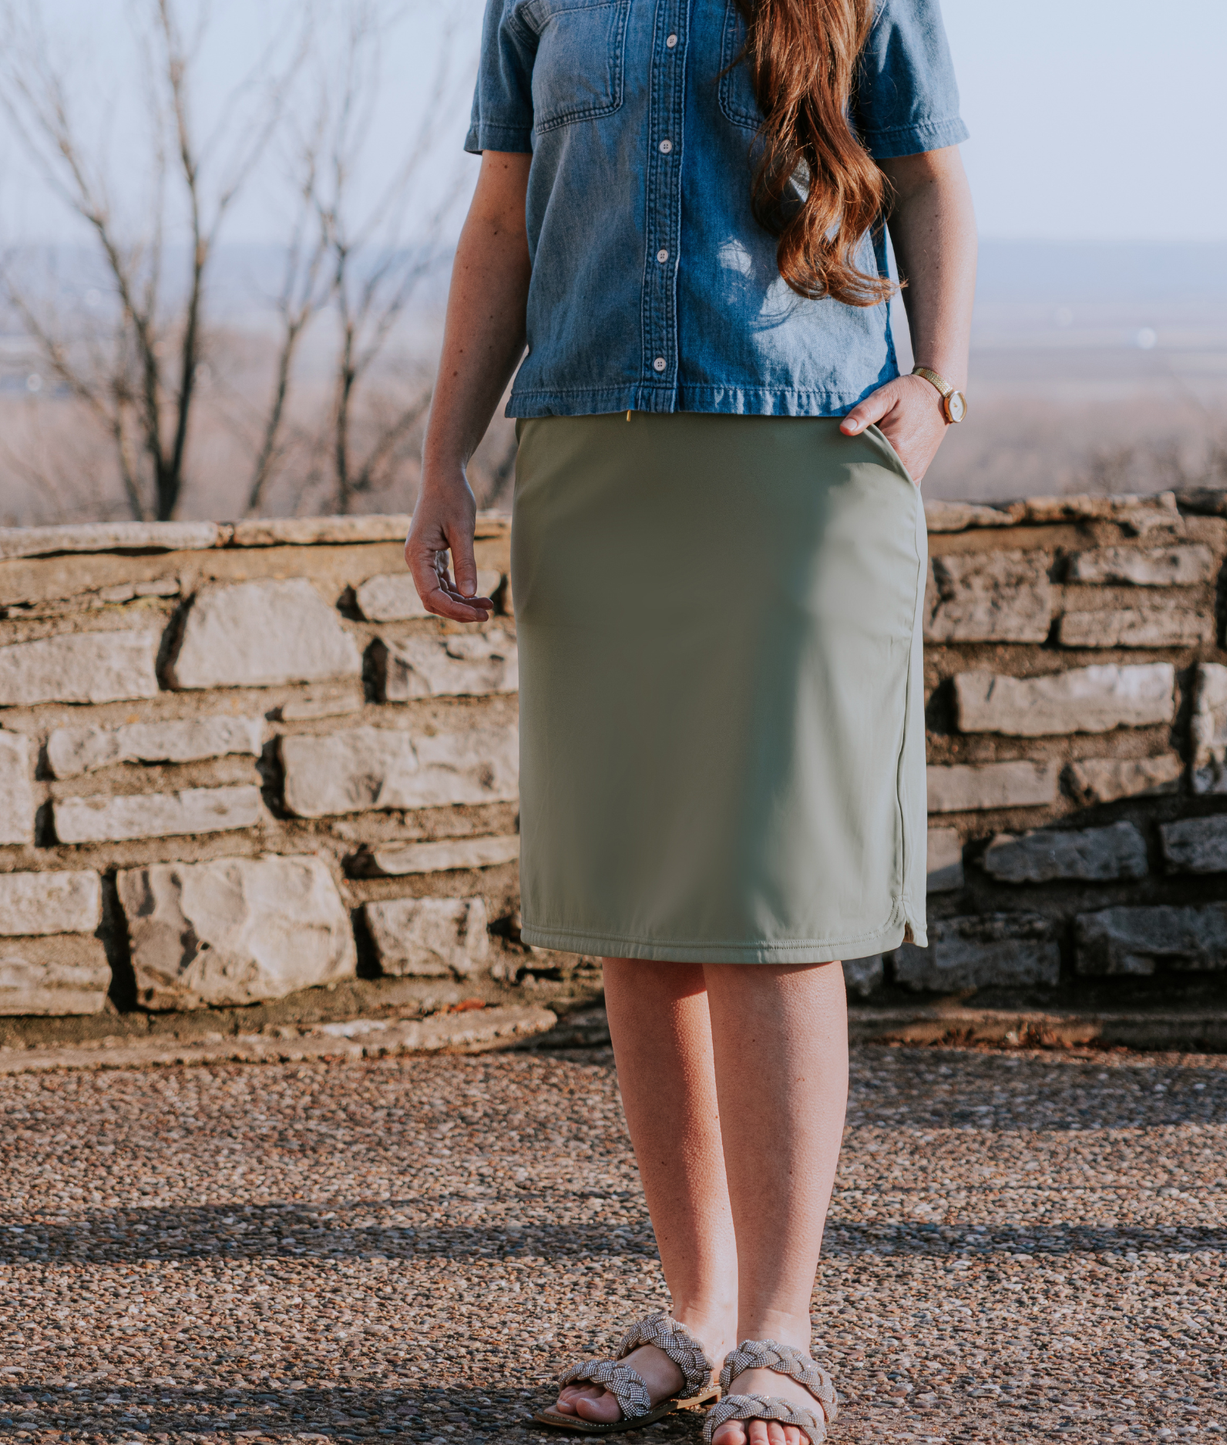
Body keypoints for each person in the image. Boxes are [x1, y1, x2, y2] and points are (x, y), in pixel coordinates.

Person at [405, 0, 975, 1439]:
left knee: (776, 901)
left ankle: (784, 1339)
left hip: (809, 463)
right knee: (644, 915)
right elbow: (501, 221)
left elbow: (931, 175)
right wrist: (444, 470)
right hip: (598, 462)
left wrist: (941, 383)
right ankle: (695, 1321)